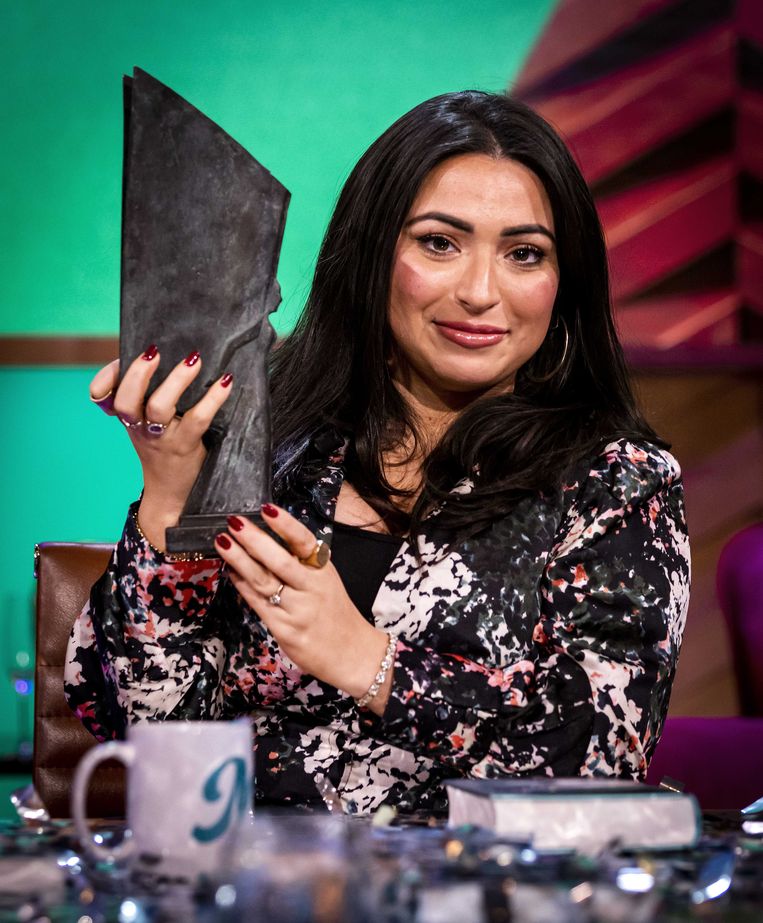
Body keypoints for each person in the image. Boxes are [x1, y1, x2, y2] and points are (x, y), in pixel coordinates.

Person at [64, 91, 690, 815]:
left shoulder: (617, 482)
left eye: (524, 254)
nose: (480, 291)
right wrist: (171, 498)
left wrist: (366, 659)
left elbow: (603, 754)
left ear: (563, 282)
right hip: (251, 869)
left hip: (475, 875)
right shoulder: (275, 443)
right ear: (373, 254)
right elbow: (142, 728)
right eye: (439, 243)